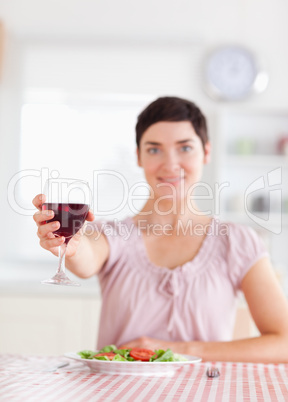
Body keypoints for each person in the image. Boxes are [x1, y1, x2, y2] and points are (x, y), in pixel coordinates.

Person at [33, 96, 288, 363]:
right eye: (154, 149)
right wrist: (71, 246)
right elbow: (86, 257)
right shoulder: (113, 235)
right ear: (139, 157)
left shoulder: (237, 242)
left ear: (207, 152)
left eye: (185, 148)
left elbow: (283, 343)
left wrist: (176, 351)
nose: (170, 164)